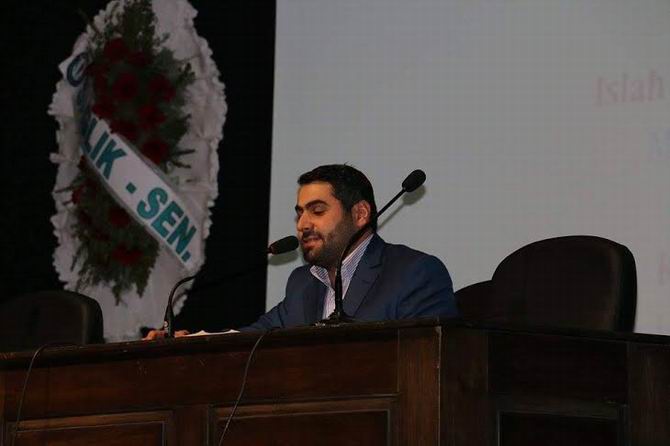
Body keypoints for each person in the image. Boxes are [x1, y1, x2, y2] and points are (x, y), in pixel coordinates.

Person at [145, 164, 457, 339]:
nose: (302, 224)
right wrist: (186, 343)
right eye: (299, 213)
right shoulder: (303, 283)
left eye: (317, 211)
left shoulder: (414, 274)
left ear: (360, 214)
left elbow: (430, 363)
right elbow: (249, 339)